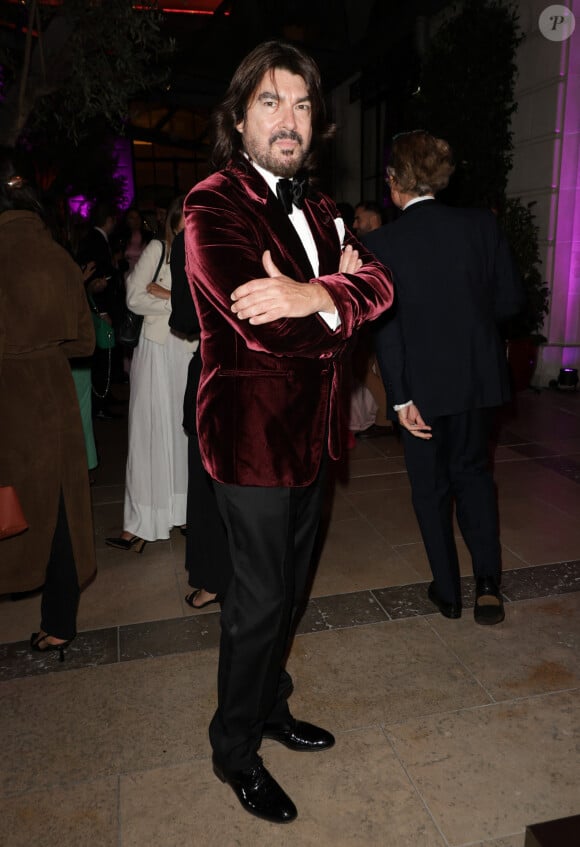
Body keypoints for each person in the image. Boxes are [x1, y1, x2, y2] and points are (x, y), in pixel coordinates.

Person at [183, 40, 394, 824]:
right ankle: (233, 749)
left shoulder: (321, 208)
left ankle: (272, 704)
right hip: (250, 439)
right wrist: (334, 299)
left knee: (292, 592)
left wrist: (315, 292)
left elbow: (383, 281)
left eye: (303, 104)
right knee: (258, 601)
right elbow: (265, 326)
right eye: (270, 101)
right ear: (239, 118)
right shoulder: (211, 203)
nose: (290, 119)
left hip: (315, 435)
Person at [366, 130, 524, 627]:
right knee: (474, 476)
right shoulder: (481, 226)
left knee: (430, 489)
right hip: (476, 381)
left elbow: (385, 330)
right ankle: (489, 587)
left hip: (421, 390)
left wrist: (398, 397)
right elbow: (511, 304)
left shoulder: (382, 242)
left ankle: (449, 592)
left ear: (394, 183)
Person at [0, 147, 97, 659]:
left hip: (8, 401)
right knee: (58, 515)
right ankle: (59, 624)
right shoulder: (57, 255)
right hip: (53, 398)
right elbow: (85, 344)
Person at [105, 196, 197, 552]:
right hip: (157, 349)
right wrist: (177, 302)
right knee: (148, 432)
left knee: (181, 431)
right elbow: (133, 298)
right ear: (176, 218)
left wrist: (170, 296)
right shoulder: (159, 247)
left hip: (187, 350)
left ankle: (183, 511)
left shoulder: (201, 252)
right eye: (188, 216)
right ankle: (140, 524)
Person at [169, 229, 232, 609]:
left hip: (218, 374)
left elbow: (186, 318)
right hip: (274, 378)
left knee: (210, 484)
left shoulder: (193, 235)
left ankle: (214, 579)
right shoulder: (281, 219)